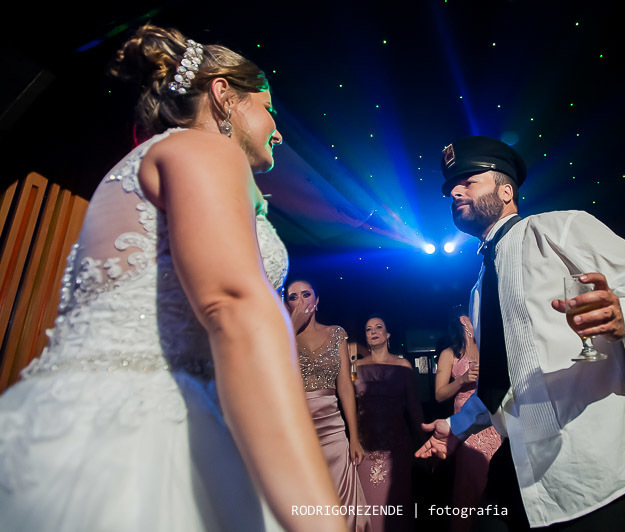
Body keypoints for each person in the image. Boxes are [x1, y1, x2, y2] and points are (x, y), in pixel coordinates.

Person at [0, 25, 345, 531]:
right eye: (267, 105)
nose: (278, 128)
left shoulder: (140, 165)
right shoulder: (202, 150)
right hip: (144, 435)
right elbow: (233, 305)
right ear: (224, 95)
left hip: (71, 425)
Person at [415, 136, 625, 530]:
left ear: (506, 191)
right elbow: (502, 383)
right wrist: (454, 428)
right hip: (524, 474)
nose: (455, 191)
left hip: (593, 467)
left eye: (469, 180)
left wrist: (623, 314)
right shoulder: (479, 287)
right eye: (451, 188)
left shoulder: (559, 227)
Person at [285, 279, 371, 531]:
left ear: (317, 299)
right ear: (287, 303)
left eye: (306, 294)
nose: (301, 301)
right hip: (297, 430)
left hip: (333, 431)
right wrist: (291, 325)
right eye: (293, 297)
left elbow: (345, 386)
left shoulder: (336, 333)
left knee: (341, 506)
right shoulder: (281, 335)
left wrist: (353, 437)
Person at [435, 306, 502, 532]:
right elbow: (439, 394)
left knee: (495, 478)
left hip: (492, 417)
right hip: (466, 422)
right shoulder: (450, 353)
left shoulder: (488, 346)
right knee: (471, 480)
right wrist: (462, 379)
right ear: (465, 320)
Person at [355, 315, 425, 532]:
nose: (373, 331)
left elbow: (413, 407)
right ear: (366, 337)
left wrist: (423, 441)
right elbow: (350, 407)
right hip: (366, 447)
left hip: (396, 447)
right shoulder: (355, 366)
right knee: (371, 511)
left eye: (378, 327)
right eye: (368, 329)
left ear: (387, 335)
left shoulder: (402, 365)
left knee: (397, 511)